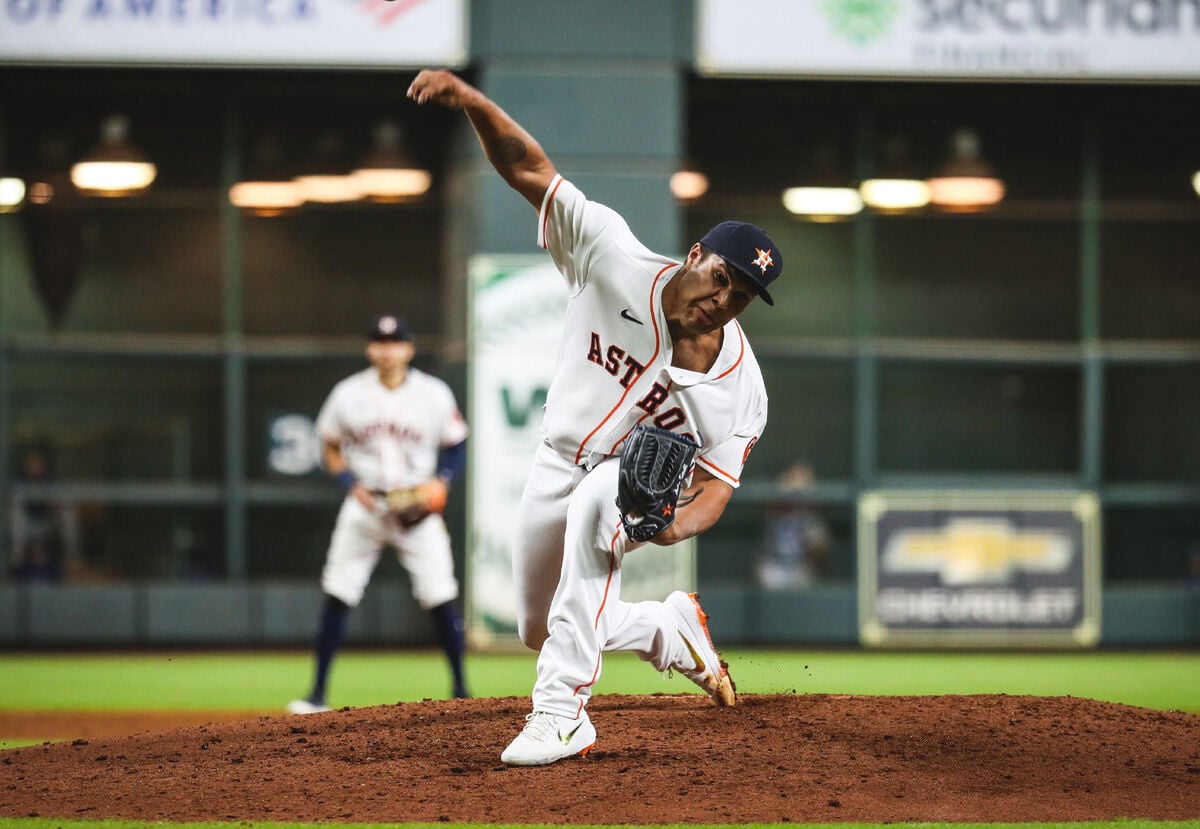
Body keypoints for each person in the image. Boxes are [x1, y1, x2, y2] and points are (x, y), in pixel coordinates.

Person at [408, 70, 785, 766]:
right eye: (723, 276)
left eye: (742, 296)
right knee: (538, 623)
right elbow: (530, 170)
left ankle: (562, 713)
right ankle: (669, 633)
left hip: (614, 486)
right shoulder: (612, 254)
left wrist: (672, 527)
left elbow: (717, 489)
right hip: (555, 460)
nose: (723, 298)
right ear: (696, 254)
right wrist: (473, 102)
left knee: (596, 505)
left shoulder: (740, 384)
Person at [287, 314, 470, 713]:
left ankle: (461, 692)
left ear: (409, 348)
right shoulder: (347, 394)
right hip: (366, 505)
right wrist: (347, 483)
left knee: (440, 594)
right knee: (338, 590)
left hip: (416, 506)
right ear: (370, 348)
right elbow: (330, 444)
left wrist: (443, 480)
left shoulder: (433, 393)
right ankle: (317, 694)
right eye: (379, 342)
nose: (387, 350)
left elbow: (457, 444)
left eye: (395, 342)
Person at [755, 462, 831, 590]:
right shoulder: (774, 509)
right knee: (766, 572)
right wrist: (785, 487)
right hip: (775, 562)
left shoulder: (810, 514)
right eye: (793, 478)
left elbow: (821, 545)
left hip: (800, 565)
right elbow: (762, 501)